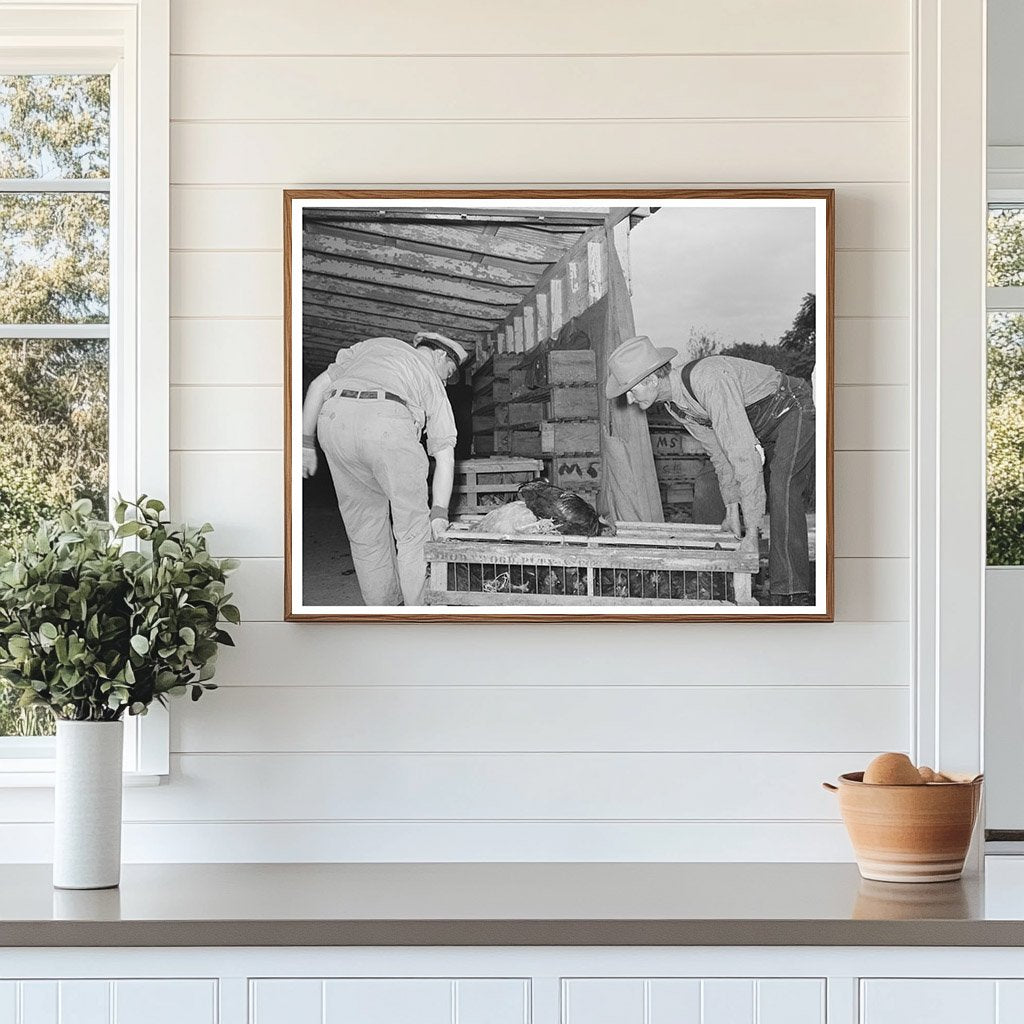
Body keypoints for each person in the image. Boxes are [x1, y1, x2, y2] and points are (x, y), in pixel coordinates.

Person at [605, 335, 816, 606]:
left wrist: (751, 534)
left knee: (782, 486)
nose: (630, 400)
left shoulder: (709, 380)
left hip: (791, 408)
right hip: (759, 426)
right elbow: (719, 454)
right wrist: (730, 509)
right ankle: (716, 584)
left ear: (651, 380)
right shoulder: (675, 406)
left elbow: (743, 455)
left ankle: (790, 594)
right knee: (706, 483)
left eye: (632, 391)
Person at [301, 331, 469, 606]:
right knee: (413, 530)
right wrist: (439, 512)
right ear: (440, 355)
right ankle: (417, 616)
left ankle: (383, 611)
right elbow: (445, 456)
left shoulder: (373, 345)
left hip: (334, 421)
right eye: (448, 373)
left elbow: (318, 386)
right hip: (388, 423)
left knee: (365, 528)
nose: (446, 381)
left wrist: (305, 444)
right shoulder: (430, 379)